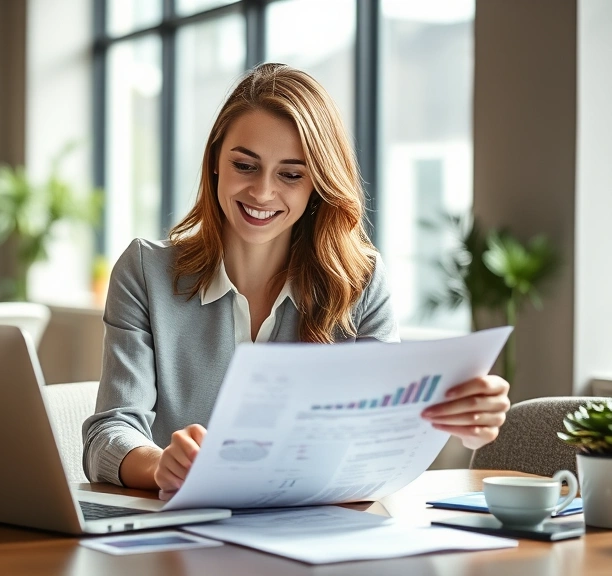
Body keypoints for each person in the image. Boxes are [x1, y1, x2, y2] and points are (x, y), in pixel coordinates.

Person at [82, 63, 511, 493]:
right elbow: (108, 436)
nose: (263, 193)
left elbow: (379, 433)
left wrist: (461, 420)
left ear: (317, 184)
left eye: (290, 174)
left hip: (319, 537)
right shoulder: (145, 273)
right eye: (245, 166)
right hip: (186, 537)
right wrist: (160, 465)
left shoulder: (358, 282)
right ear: (215, 161)